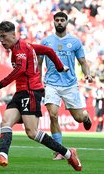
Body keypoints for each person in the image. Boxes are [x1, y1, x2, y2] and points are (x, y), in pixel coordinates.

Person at [0, 21, 82, 171]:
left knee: (32, 132)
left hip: (30, 92)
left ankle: (68, 153)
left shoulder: (20, 49)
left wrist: (0, 84)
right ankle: (3, 155)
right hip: (20, 93)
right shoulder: (26, 46)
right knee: (5, 122)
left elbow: (21, 69)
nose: (1, 41)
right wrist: (60, 67)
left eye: (3, 36)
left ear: (13, 34)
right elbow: (48, 51)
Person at [37, 11, 93, 160]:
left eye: (62, 20)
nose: (60, 22)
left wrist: (87, 74)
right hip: (51, 84)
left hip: (69, 84)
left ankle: (85, 116)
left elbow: (83, 62)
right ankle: (59, 151)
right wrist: (38, 82)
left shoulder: (75, 42)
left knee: (79, 118)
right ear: (53, 22)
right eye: (57, 20)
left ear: (66, 22)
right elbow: (39, 64)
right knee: (53, 115)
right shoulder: (45, 42)